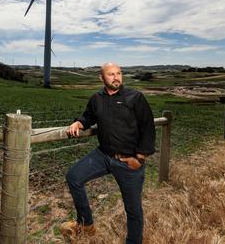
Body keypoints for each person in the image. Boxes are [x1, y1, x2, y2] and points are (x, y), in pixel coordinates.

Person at [62, 62, 155, 244]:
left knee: (133, 210)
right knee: (74, 177)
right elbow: (89, 116)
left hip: (129, 161)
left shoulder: (135, 97)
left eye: (119, 73)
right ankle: (86, 224)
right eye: (111, 74)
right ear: (102, 77)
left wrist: (139, 159)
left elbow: (148, 128)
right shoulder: (97, 98)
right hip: (103, 155)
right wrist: (78, 123)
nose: (116, 77)